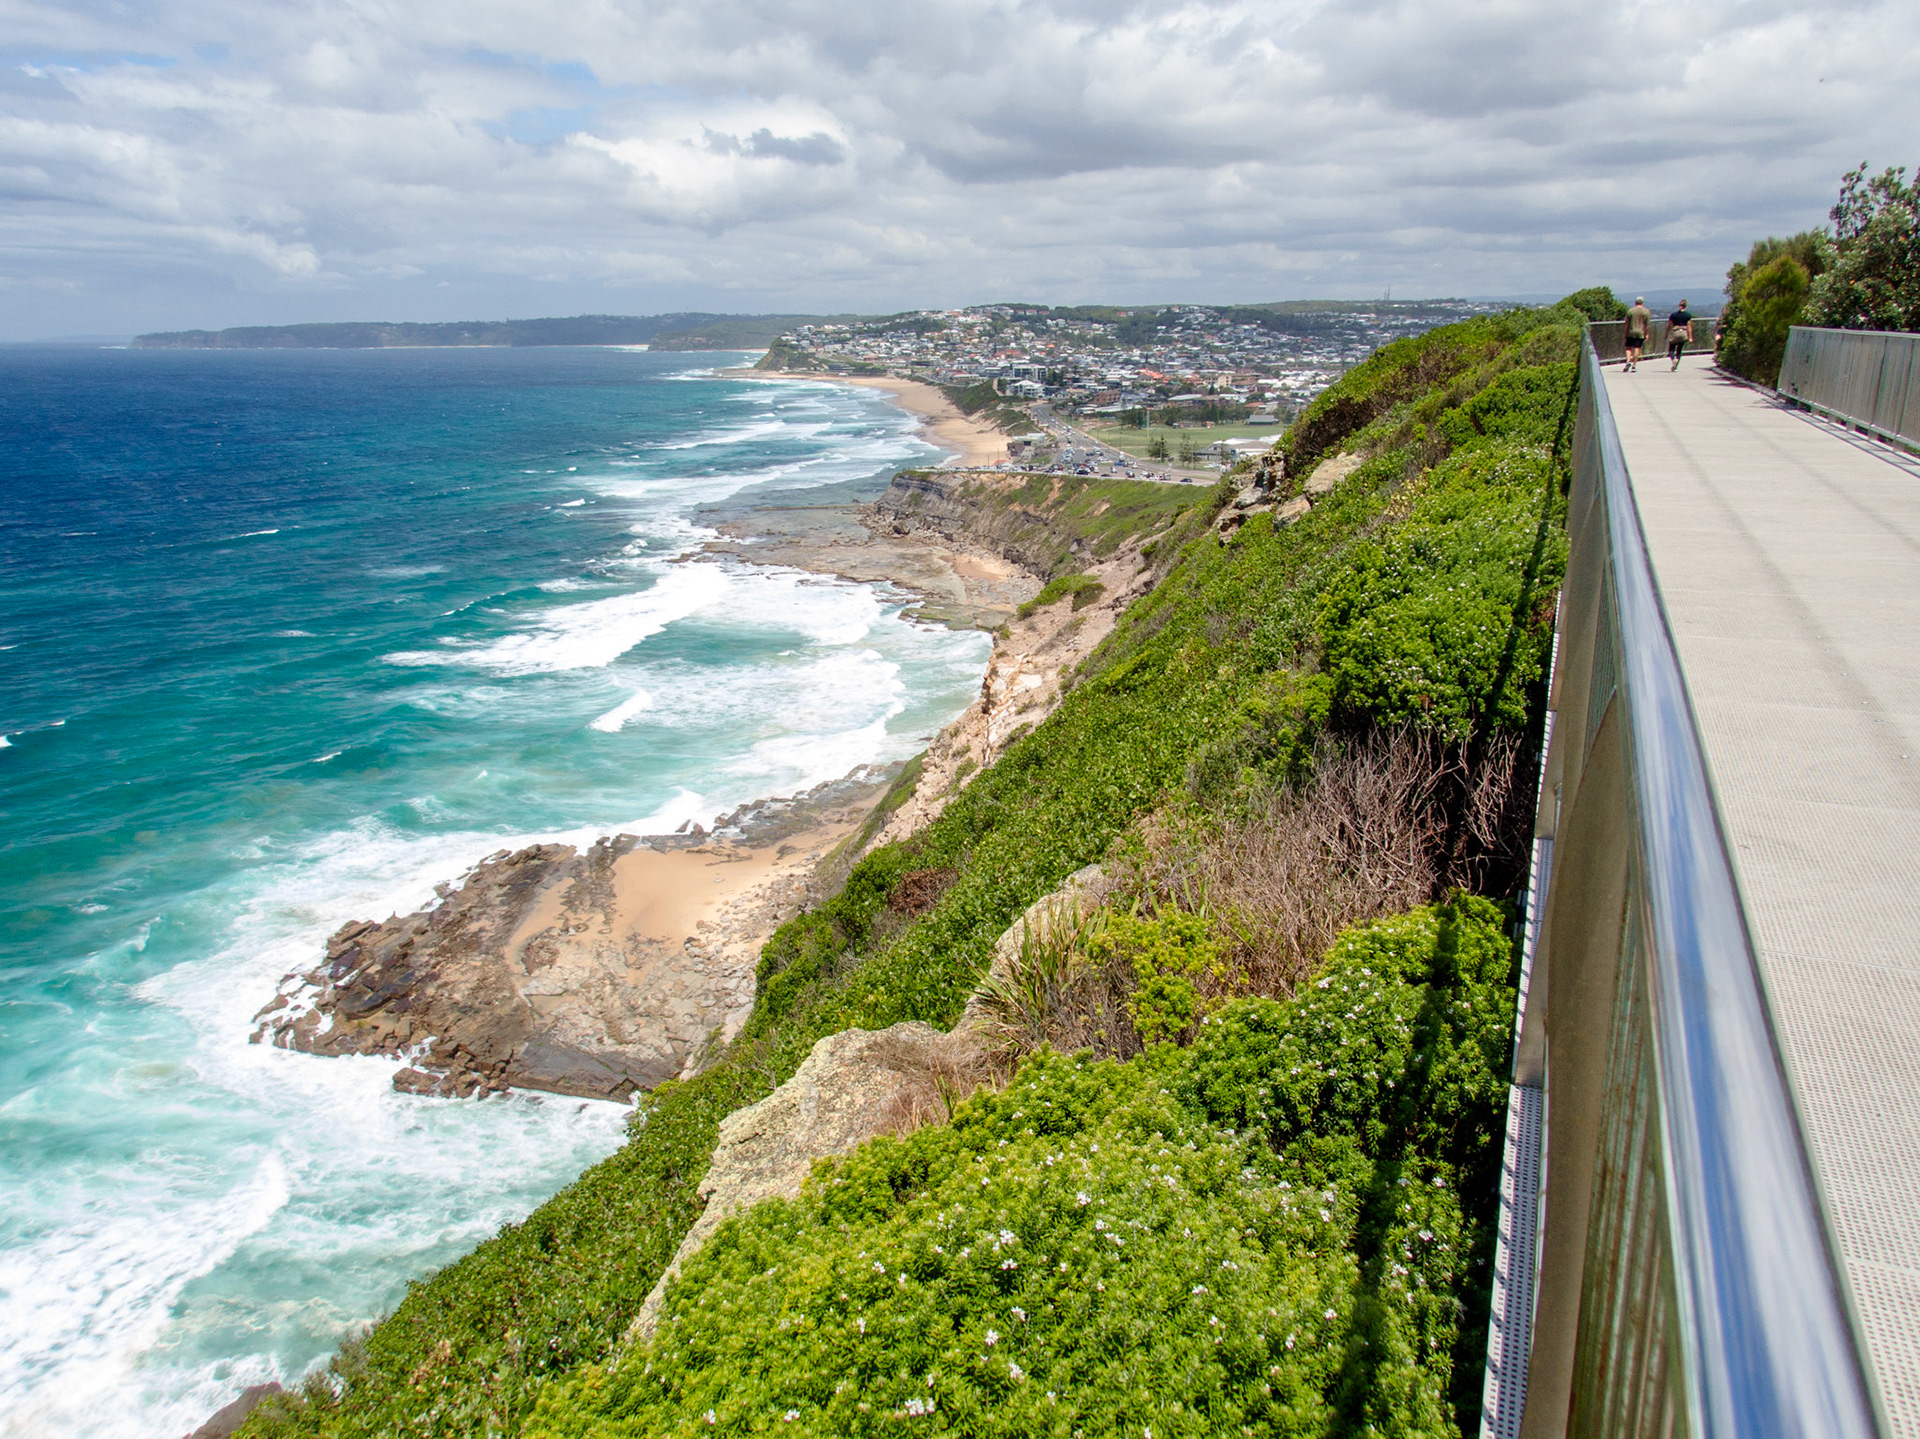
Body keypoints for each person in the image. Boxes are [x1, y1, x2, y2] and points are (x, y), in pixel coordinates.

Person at [1624, 296, 1652, 371]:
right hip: (1640, 332)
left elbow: (1626, 323)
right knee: (1637, 348)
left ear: (1635, 302)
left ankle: (1628, 361)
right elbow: (1647, 325)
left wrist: (1625, 333)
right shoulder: (1646, 312)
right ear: (1642, 302)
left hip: (1631, 331)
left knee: (1628, 347)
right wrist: (1646, 334)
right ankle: (1634, 365)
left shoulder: (1630, 311)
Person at [1667, 300, 1694, 370]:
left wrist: (1666, 334)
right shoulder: (1688, 315)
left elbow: (1670, 325)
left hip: (1675, 332)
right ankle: (1677, 361)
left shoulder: (1673, 315)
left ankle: (1673, 359)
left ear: (1679, 305)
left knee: (1671, 349)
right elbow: (1689, 326)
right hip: (1683, 333)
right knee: (1679, 349)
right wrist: (1690, 337)